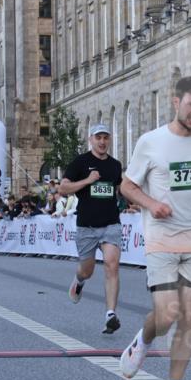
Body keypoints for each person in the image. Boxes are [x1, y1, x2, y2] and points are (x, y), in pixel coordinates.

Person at [118, 76, 191, 380]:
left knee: (189, 315)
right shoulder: (151, 142)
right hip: (162, 239)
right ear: (175, 102)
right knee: (167, 315)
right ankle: (145, 338)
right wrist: (152, 204)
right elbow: (127, 186)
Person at [61, 123, 125, 334]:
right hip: (87, 226)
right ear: (91, 140)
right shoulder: (81, 162)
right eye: (98, 137)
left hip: (111, 223)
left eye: (106, 137)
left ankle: (110, 314)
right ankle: (79, 280)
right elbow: (63, 188)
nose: (102, 141)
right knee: (87, 270)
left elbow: (119, 190)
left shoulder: (115, 165)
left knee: (111, 264)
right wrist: (87, 180)